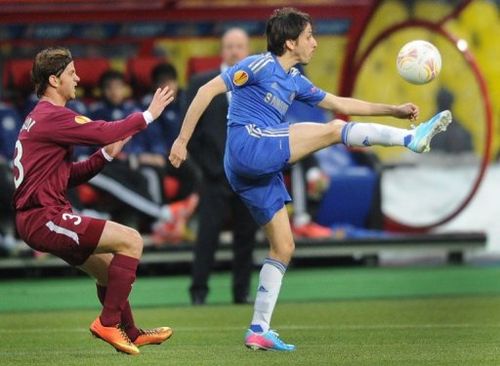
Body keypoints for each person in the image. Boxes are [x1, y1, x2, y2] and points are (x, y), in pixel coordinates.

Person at [169, 8, 452, 351]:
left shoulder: (295, 80)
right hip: (248, 144)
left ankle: (258, 328)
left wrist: (393, 109)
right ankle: (410, 139)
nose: (315, 43)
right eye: (309, 37)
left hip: (251, 167)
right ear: (290, 43)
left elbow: (339, 102)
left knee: (284, 246)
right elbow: (204, 92)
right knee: (333, 131)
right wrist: (182, 140)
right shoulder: (258, 65)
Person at [12, 47, 175, 355]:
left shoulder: (40, 118)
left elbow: (65, 177)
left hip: (41, 215)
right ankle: (108, 322)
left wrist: (104, 157)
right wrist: (149, 114)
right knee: (132, 241)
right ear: (54, 79)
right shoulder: (51, 115)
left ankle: (131, 332)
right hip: (42, 217)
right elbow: (104, 130)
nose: (78, 78)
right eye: (72, 73)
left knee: (107, 269)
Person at [186, 27, 258, 305]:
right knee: (207, 236)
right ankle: (198, 293)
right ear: (221, 50)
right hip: (215, 176)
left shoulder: (257, 86)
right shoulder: (202, 84)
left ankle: (241, 293)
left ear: (247, 50)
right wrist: (210, 169)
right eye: (229, 46)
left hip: (249, 174)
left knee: (246, 236)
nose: (234, 51)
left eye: (239, 46)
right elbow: (189, 132)